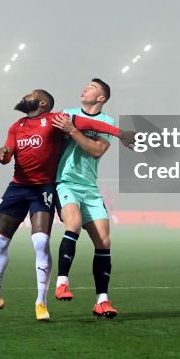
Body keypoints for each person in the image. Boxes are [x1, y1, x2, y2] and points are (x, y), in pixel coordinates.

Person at [0, 89, 135, 322]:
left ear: (42, 102)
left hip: (43, 189)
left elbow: (91, 124)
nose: (24, 96)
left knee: (41, 242)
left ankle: (41, 302)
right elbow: (7, 154)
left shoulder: (55, 119)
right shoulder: (17, 126)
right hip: (17, 188)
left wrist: (120, 134)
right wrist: (3, 154)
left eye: (30, 94)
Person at [53, 78, 119, 318]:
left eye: (92, 87)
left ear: (101, 98)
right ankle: (62, 282)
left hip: (89, 187)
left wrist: (72, 131)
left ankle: (102, 301)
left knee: (104, 241)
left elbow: (96, 150)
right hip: (65, 181)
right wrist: (66, 131)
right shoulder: (67, 114)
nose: (85, 88)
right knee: (73, 224)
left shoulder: (107, 122)